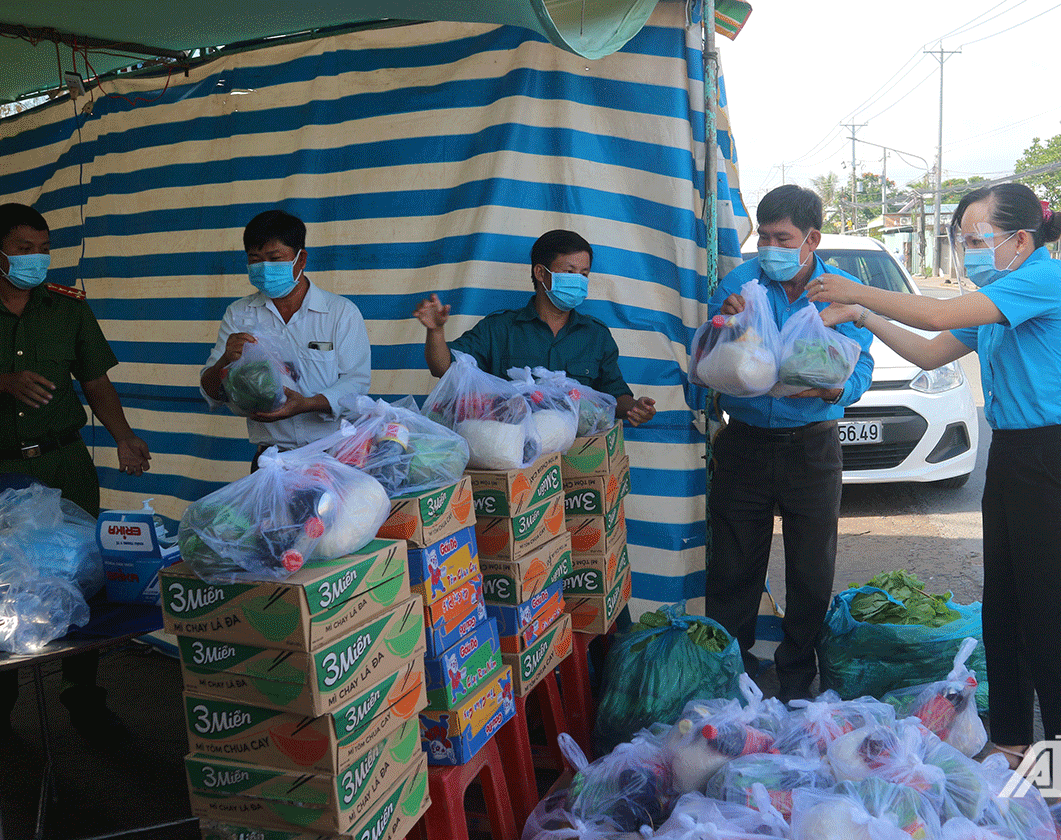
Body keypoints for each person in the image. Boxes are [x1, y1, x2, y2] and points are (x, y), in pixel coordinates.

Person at [809, 182, 1061, 769]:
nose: (968, 252)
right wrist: (865, 313)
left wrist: (854, 287)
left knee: (1057, 621)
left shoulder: (1042, 280)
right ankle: (1015, 741)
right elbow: (928, 351)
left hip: (1059, 462)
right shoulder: (999, 297)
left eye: (976, 239)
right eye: (963, 240)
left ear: (1021, 239)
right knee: (1005, 609)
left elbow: (938, 310)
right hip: (1016, 460)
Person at [0, 201, 152, 743]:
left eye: (44, 250)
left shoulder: (67, 307)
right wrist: (3, 382)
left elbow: (95, 381)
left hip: (65, 464)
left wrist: (123, 436)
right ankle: (0, 707)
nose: (37, 260)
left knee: (82, 578)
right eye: (24, 250)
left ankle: (83, 697)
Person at [703, 184, 875, 702]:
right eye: (764, 238)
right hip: (746, 443)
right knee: (734, 566)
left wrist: (837, 388)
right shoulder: (739, 284)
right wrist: (726, 324)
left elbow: (862, 363)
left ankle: (798, 678)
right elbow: (711, 356)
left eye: (784, 238)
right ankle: (733, 676)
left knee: (810, 569)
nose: (770, 249)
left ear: (811, 239)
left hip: (813, 446)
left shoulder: (843, 288)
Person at [412, 229, 656, 426]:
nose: (579, 281)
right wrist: (435, 331)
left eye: (584, 274)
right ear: (541, 272)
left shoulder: (596, 335)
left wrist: (634, 407)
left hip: (579, 460)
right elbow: (443, 368)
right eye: (569, 272)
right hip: (512, 456)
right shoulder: (499, 329)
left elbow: (615, 395)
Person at [200, 210, 372, 466]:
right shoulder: (239, 314)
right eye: (255, 260)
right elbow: (212, 392)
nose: (265, 268)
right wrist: (226, 358)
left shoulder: (340, 313)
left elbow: (357, 383)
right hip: (270, 461)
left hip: (332, 457)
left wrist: (306, 404)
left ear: (300, 259)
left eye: (274, 258)